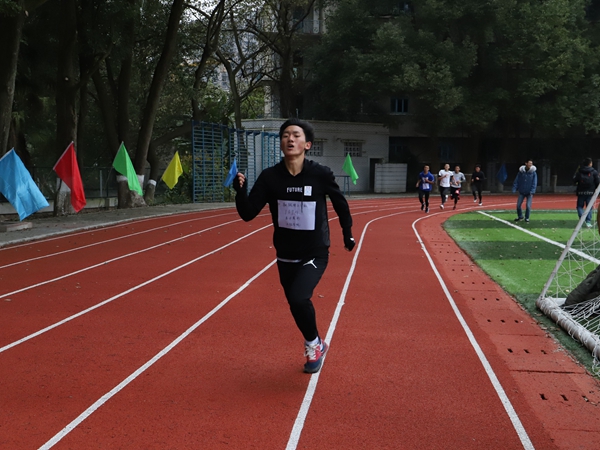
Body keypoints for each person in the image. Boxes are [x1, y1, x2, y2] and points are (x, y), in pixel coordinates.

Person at [232, 118, 355, 374]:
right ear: (281, 143)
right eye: (286, 135)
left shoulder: (320, 174)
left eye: (296, 135)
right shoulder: (270, 177)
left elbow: (340, 204)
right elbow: (248, 213)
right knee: (295, 303)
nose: (290, 139)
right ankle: (317, 341)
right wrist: (240, 191)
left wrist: (347, 233)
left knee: (299, 297)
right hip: (285, 254)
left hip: (315, 252)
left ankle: (312, 346)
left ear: (307, 144)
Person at [573, 157, 600, 228]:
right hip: (590, 192)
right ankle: (588, 222)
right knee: (589, 207)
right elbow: (597, 182)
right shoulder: (594, 172)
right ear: (590, 163)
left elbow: (575, 180)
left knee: (579, 206)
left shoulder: (579, 171)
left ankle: (582, 219)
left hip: (581, 192)